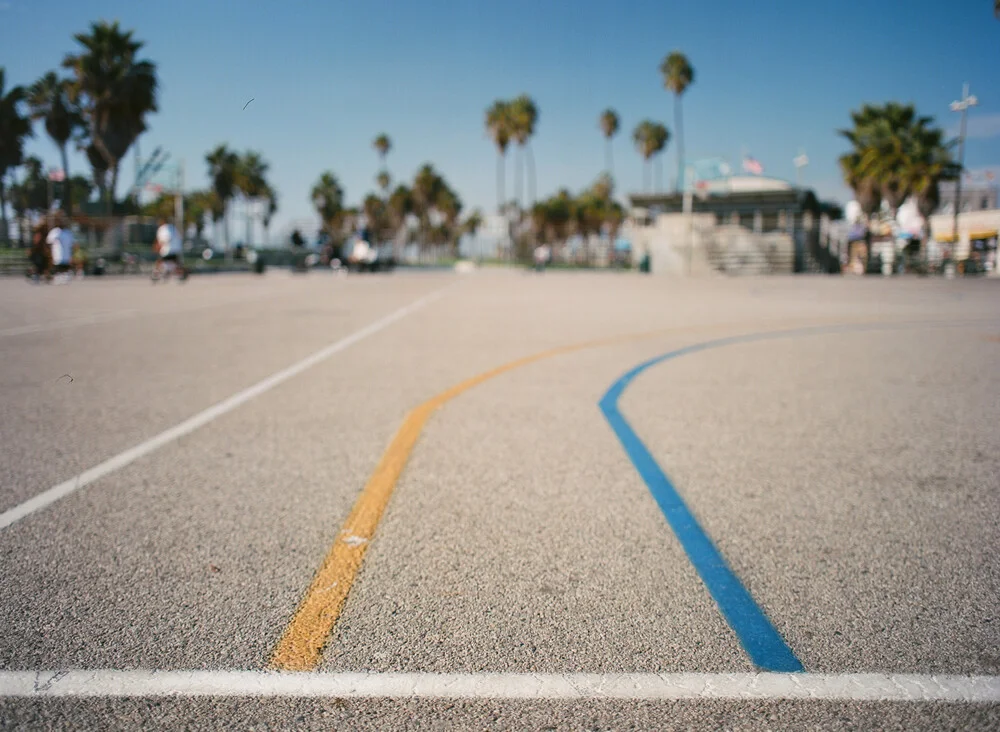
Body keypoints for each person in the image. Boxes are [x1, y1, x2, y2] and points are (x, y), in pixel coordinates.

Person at [153, 217, 184, 282]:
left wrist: (158, 246)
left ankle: (156, 274)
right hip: (175, 249)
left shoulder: (164, 229)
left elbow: (166, 238)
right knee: (175, 263)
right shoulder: (172, 227)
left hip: (167, 250)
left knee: (160, 262)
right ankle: (180, 274)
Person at [46, 216, 74, 284]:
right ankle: (56, 278)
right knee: (57, 267)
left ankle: (64, 278)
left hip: (66, 254)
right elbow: (48, 242)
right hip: (57, 254)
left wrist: (72, 254)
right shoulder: (54, 232)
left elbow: (72, 244)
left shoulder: (68, 232)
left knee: (65, 267)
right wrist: (50, 253)